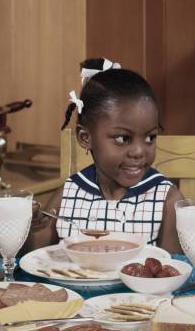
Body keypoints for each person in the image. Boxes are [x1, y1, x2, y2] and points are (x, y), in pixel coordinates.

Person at [28, 59, 183, 254]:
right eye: (122, 138)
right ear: (85, 138)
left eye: (150, 137)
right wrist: (33, 229)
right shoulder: (69, 193)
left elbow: (173, 270)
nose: (139, 151)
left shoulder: (166, 200)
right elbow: (38, 260)